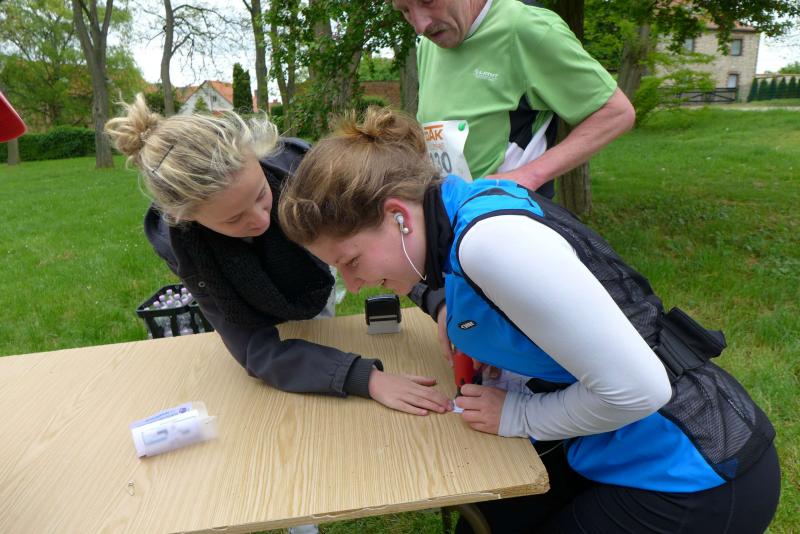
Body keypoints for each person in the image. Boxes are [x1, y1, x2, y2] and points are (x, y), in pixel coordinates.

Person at [277, 108, 780, 533]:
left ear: (398, 216)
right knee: (489, 519)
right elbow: (470, 296)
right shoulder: (461, 209)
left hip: (693, 475)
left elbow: (639, 391)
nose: (354, 285)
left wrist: (517, 416)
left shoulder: (490, 244)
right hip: (620, 448)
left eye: (351, 261)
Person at [104, 95, 452, 418]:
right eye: (234, 219)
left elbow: (387, 243)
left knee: (322, 329)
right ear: (187, 218)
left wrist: (438, 300)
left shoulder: (302, 171)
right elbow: (254, 347)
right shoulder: (181, 242)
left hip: (308, 281)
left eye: (260, 195)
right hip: (256, 302)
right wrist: (365, 378)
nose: (261, 220)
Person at [395, 0, 635, 199]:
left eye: (428, 1)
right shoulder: (428, 43)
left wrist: (529, 175)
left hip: (506, 216)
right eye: (405, 10)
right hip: (448, 216)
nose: (420, 26)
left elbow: (616, 112)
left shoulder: (526, 27)